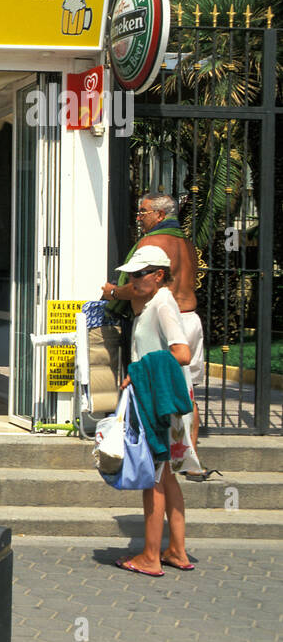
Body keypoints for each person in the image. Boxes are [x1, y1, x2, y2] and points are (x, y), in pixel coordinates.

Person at [101, 192, 204, 472]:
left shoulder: (150, 244)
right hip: (190, 318)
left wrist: (112, 293)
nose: (139, 218)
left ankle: (160, 451)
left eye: (143, 212)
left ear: (160, 215)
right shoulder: (187, 244)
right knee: (187, 389)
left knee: (156, 383)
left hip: (164, 319)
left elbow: (136, 288)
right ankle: (188, 459)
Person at [112, 246, 195, 577]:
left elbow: (182, 352)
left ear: (159, 275)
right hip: (163, 401)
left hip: (159, 404)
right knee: (167, 476)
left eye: (138, 274)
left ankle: (149, 556)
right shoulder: (155, 304)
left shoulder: (162, 304)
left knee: (154, 478)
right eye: (130, 275)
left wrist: (139, 370)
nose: (133, 280)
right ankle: (176, 549)